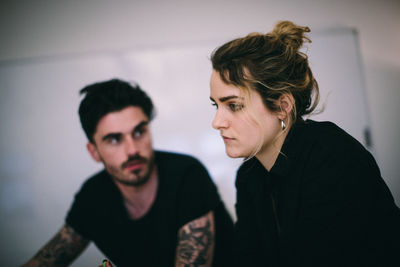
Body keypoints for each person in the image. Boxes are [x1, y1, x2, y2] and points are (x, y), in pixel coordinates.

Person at [209, 20, 400, 267]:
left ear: (282, 106)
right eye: (217, 105)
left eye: (233, 105)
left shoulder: (331, 154)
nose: (217, 122)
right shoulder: (249, 176)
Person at [22, 78, 234, 267]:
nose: (132, 150)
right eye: (114, 139)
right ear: (94, 152)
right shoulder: (93, 196)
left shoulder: (186, 175)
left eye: (139, 132)